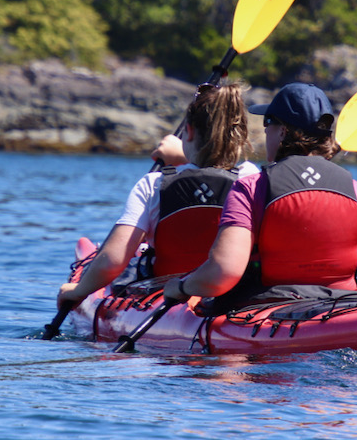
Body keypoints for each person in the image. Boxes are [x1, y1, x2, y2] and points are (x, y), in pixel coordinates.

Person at [56, 81, 258, 313]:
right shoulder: (253, 179)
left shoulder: (154, 184)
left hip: (166, 298)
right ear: (242, 135)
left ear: (188, 131)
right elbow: (216, 172)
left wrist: (78, 291)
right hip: (231, 298)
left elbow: (113, 260)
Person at [162, 82, 357, 305]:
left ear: (282, 131)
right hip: (346, 303)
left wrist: (181, 286)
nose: (264, 130)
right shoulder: (356, 191)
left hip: (272, 306)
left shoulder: (251, 188)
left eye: (268, 122)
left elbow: (225, 271)